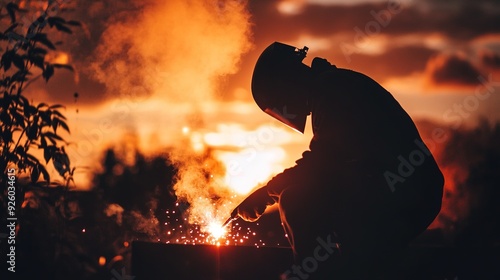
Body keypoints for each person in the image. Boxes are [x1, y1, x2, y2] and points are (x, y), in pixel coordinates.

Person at [230, 42, 444, 279]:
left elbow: (321, 165)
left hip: (406, 195)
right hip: (403, 192)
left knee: (296, 200)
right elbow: (332, 168)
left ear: (286, 84)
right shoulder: (333, 86)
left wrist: (267, 193)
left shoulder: (334, 91)